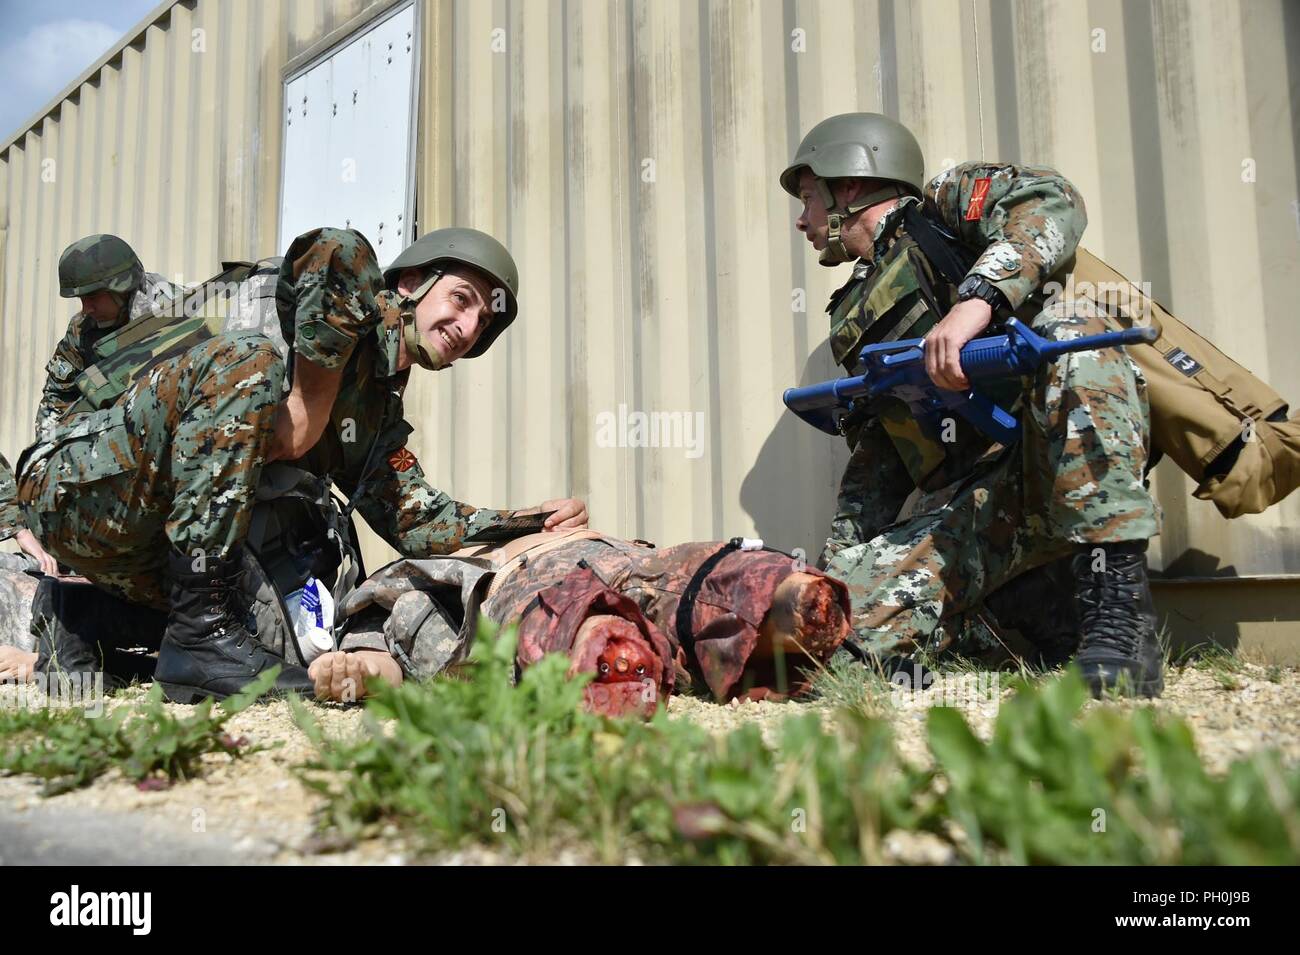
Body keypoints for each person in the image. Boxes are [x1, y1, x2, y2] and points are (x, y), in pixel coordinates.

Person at [16, 226, 586, 702]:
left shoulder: (374, 406)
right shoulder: (345, 301)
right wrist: (310, 407)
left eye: (483, 320)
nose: (467, 327)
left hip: (136, 532)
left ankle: (83, 615)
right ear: (412, 282)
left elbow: (415, 519)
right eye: (461, 299)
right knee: (252, 364)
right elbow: (335, 250)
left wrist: (528, 521)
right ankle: (197, 634)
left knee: (291, 630)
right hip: (80, 483)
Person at [780, 112, 1163, 697]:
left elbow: (1055, 201)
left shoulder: (945, 208)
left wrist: (974, 304)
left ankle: (1118, 622)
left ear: (848, 186)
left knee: (1072, 332)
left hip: (1053, 466)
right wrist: (834, 575)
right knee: (827, 634)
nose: (803, 219)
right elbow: (881, 455)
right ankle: (1018, 617)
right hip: (981, 509)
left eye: (808, 198)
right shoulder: (854, 309)